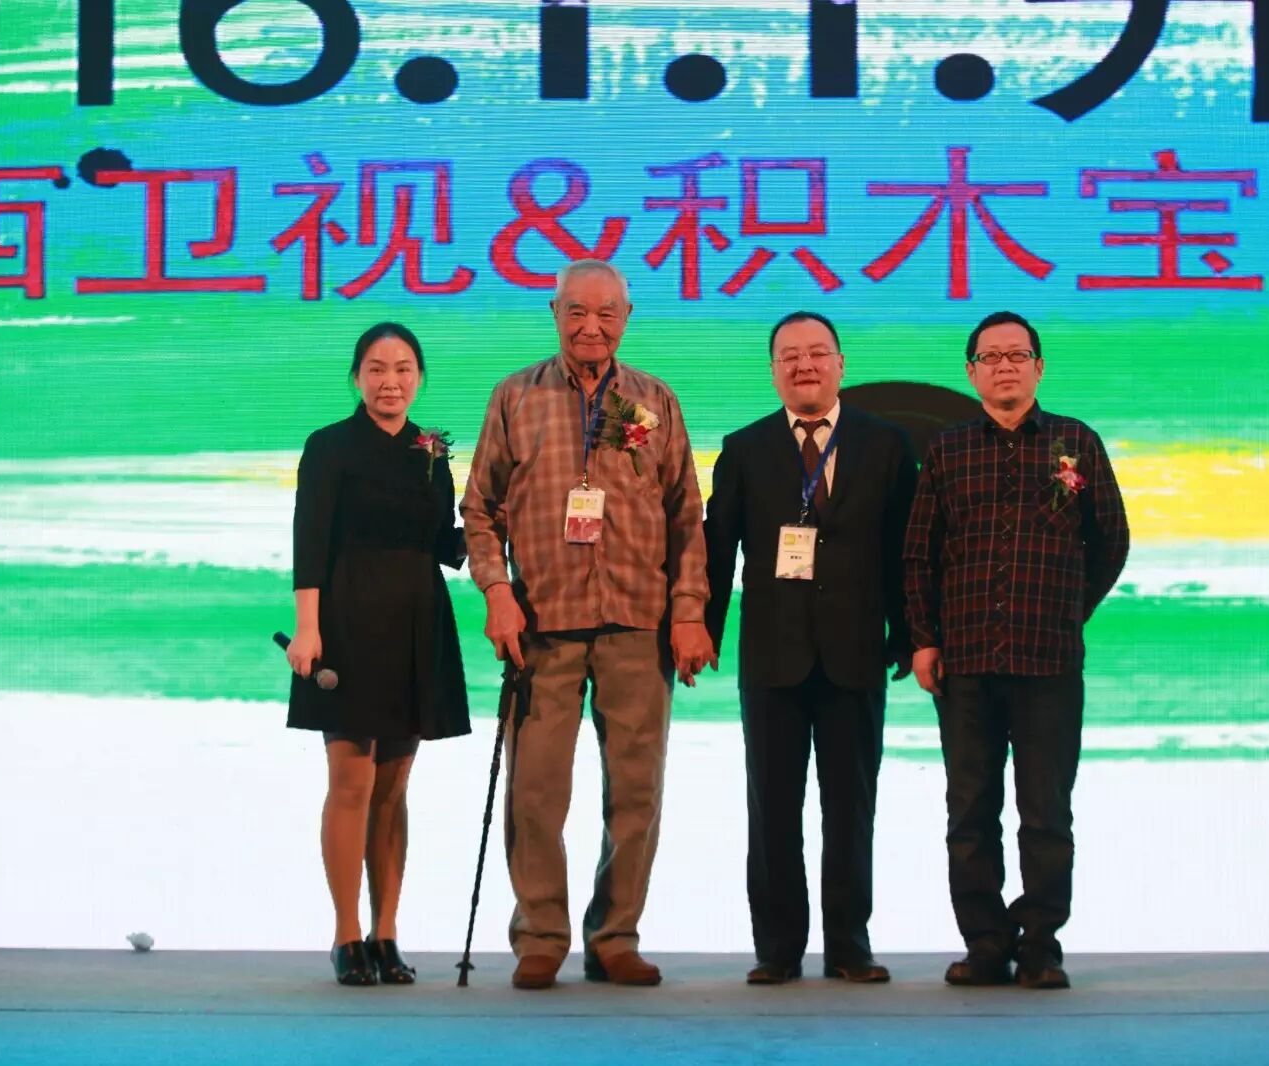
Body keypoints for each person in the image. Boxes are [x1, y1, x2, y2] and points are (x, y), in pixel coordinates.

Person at [460, 259, 715, 990]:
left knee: (635, 794)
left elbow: (686, 516)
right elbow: (479, 509)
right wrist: (497, 591)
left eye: (607, 313)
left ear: (626, 319)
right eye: (577, 311)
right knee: (535, 792)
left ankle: (615, 937)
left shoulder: (655, 400)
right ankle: (541, 935)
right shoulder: (515, 395)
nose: (591, 327)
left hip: (638, 622)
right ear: (555, 314)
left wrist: (689, 612)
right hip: (541, 623)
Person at [904, 311, 1128, 990]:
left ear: (1039, 367)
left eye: (1017, 355)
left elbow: (1111, 541)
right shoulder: (948, 450)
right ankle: (984, 943)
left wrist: (1067, 610)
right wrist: (924, 640)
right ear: (971, 372)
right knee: (971, 812)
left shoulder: (1076, 443)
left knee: (1046, 812)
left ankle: (1040, 945)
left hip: (1048, 661)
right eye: (991, 357)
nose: (1005, 366)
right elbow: (919, 553)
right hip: (965, 661)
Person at [704, 311, 917, 986]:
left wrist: (912, 636)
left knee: (851, 808)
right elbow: (717, 550)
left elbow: (907, 550)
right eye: (790, 356)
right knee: (772, 808)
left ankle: (850, 945)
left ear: (840, 364)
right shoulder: (744, 448)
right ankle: (778, 949)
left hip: (857, 653)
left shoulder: (886, 444)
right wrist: (701, 628)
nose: (805, 365)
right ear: (773, 370)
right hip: (773, 656)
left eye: (818, 353)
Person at [285, 322, 470, 987]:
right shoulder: (329, 446)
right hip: (347, 620)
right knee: (352, 782)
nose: (391, 381)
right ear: (357, 376)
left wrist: (491, 522)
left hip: (418, 622)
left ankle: (386, 932)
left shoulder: (432, 447)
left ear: (419, 376)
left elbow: (442, 541)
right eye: (377, 368)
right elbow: (311, 540)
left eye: (403, 369)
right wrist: (307, 630)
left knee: (393, 789)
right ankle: (346, 935)